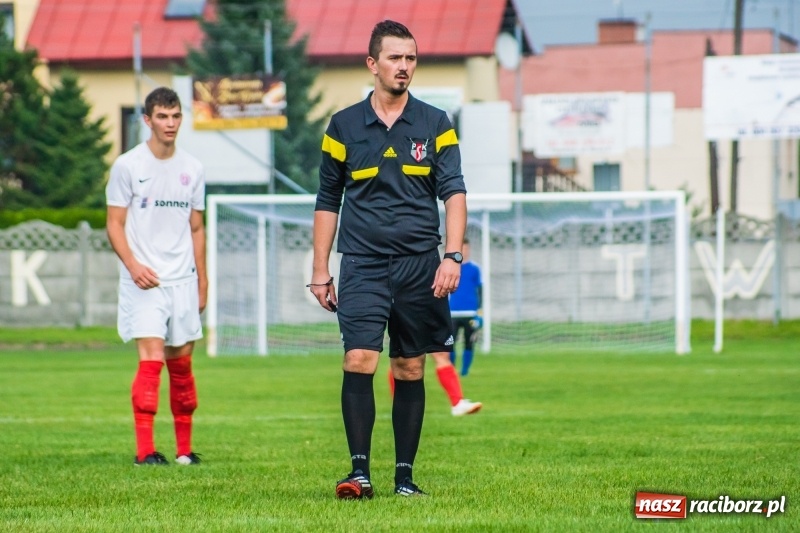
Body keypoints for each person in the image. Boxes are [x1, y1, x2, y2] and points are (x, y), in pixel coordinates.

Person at [310, 19, 467, 499]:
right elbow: (327, 200)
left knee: (409, 368)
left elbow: (454, 192)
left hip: (420, 265)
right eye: (395, 58)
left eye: (411, 58)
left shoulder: (436, 123)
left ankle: (404, 478)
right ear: (372, 64)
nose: (404, 66)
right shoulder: (343, 126)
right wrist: (320, 269)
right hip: (362, 264)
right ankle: (359, 473)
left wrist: (452, 256)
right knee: (358, 358)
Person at [106, 87, 207, 467]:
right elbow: (114, 224)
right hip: (144, 282)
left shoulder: (193, 168)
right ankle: (145, 451)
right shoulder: (127, 166)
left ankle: (184, 451)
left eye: (176, 116)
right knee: (151, 360)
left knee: (182, 368)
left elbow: (197, 227)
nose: (170, 123)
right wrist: (134, 266)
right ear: (147, 120)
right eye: (162, 116)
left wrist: (203, 280)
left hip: (183, 281)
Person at [449, 238, 483, 377]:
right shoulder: (450, 267)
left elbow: (480, 291)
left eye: (467, 249)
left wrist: (479, 313)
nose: (465, 251)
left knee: (469, 342)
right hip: (452, 312)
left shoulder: (475, 269)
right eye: (462, 249)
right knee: (450, 343)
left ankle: (464, 372)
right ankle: (451, 370)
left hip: (470, 312)